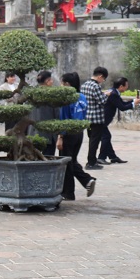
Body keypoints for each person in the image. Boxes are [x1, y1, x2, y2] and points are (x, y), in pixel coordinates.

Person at [56, 72, 96, 201]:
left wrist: (60, 136)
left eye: (62, 83)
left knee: (66, 163)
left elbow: (63, 118)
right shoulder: (82, 97)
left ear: (67, 84)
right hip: (79, 133)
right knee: (71, 160)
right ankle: (87, 181)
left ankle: (68, 193)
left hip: (68, 133)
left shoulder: (66, 99)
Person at [100, 76, 140, 163]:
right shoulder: (114, 94)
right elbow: (122, 107)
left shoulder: (114, 92)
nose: (127, 87)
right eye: (126, 85)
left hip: (103, 119)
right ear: (121, 86)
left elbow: (121, 103)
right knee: (106, 137)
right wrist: (134, 104)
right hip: (102, 119)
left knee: (106, 137)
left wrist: (134, 101)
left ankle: (112, 157)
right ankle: (101, 158)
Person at [83, 66, 109, 169]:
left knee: (91, 140)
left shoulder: (85, 85)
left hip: (87, 117)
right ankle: (91, 162)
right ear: (100, 76)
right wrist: (107, 95)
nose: (103, 81)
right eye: (103, 79)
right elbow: (102, 101)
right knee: (94, 141)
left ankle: (91, 161)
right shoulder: (95, 86)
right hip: (96, 118)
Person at [33, 70, 59, 156]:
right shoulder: (52, 95)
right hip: (48, 133)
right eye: (51, 80)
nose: (52, 82)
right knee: (48, 157)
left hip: (33, 133)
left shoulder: (31, 94)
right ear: (47, 81)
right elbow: (57, 114)